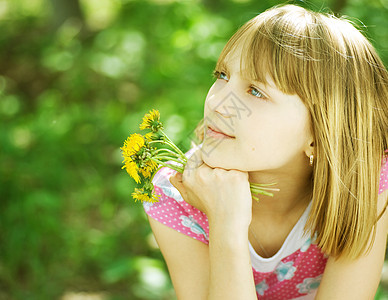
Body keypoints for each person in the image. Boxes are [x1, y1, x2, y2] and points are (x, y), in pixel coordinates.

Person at [143, 4, 388, 299]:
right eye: (222, 75)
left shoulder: (364, 180)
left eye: (256, 91)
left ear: (321, 134)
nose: (218, 103)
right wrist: (226, 224)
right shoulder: (177, 196)